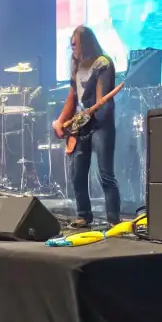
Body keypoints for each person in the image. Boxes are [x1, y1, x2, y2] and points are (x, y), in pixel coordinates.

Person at [54, 25, 121, 228]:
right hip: (81, 125)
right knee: (77, 173)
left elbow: (102, 102)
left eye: (75, 44)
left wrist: (92, 111)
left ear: (85, 42)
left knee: (105, 174)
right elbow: (73, 96)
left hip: (101, 124)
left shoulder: (103, 63)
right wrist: (61, 120)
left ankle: (113, 220)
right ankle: (84, 215)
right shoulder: (76, 64)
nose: (72, 48)